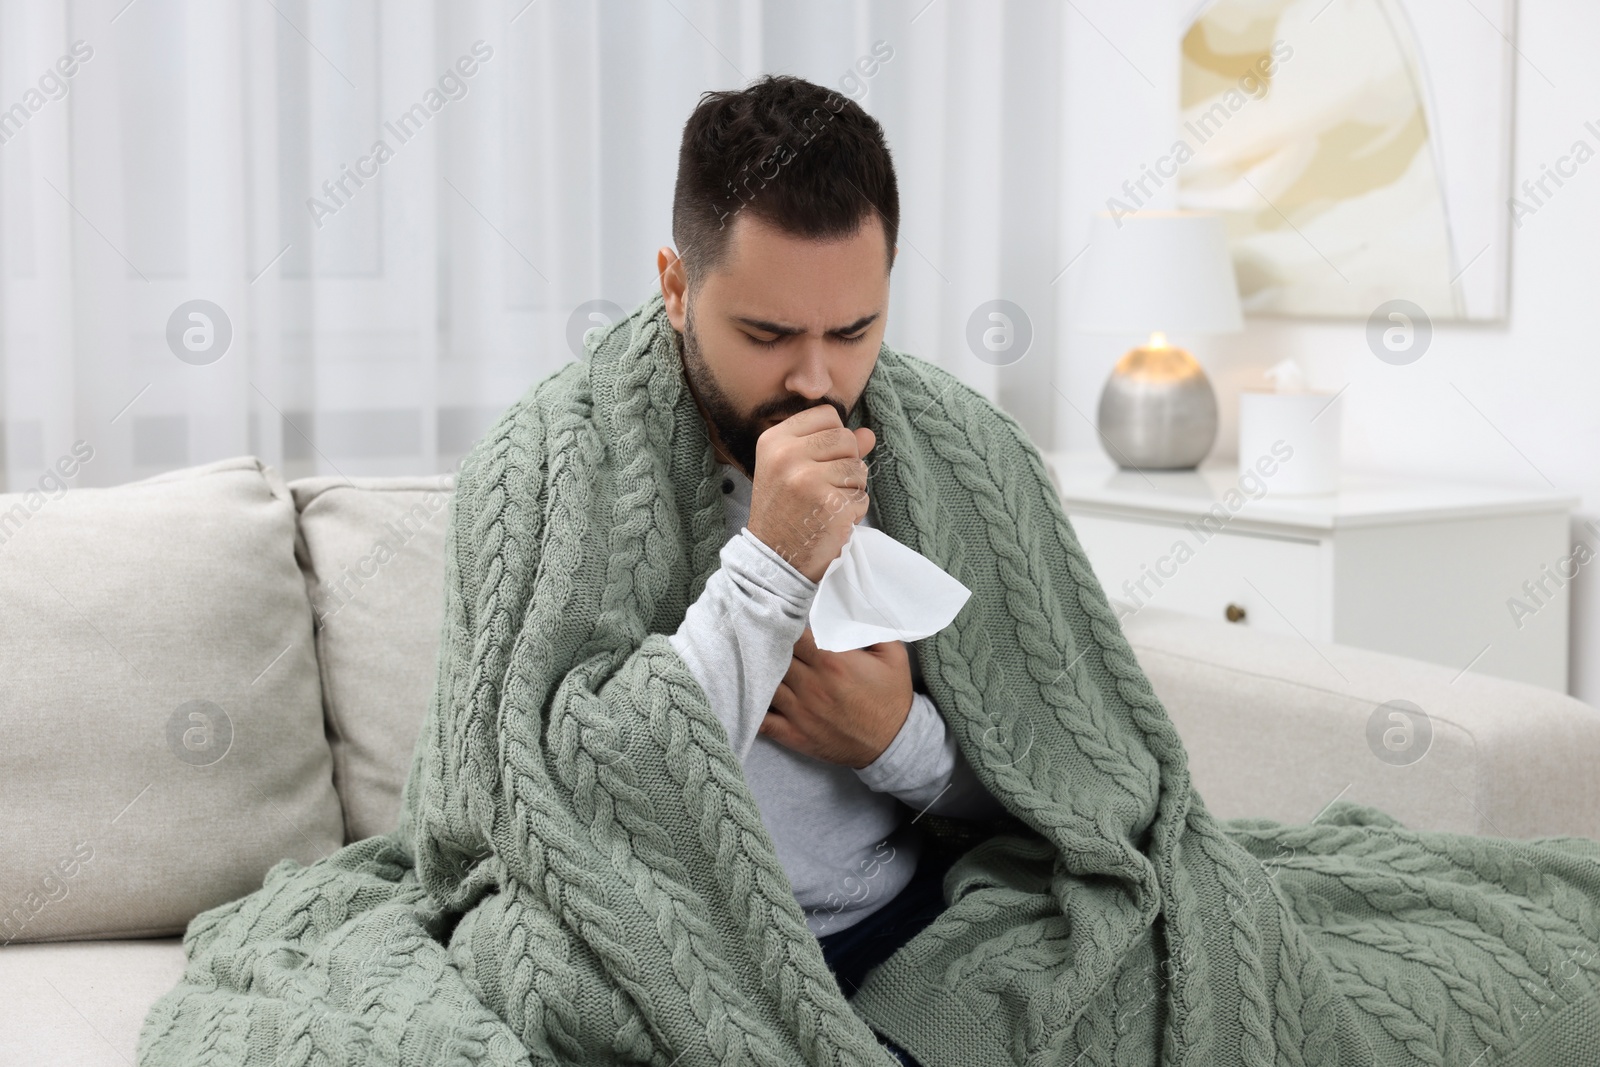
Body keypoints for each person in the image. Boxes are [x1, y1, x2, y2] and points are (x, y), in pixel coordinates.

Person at [655, 75, 1009, 1045]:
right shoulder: (569, 471)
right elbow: (596, 798)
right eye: (766, 334)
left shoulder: (956, 457)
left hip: (912, 923)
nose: (816, 378)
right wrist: (770, 559)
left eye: (852, 332)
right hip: (684, 955)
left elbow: (1059, 784)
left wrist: (896, 737)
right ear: (677, 287)